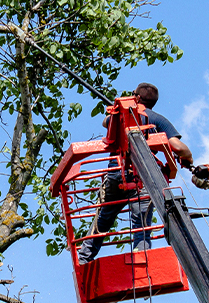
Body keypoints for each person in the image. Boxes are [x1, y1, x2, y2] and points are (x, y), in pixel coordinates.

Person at [78, 83, 193, 264]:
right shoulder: (159, 120)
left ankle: (84, 258)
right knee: (141, 220)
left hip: (116, 174)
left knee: (103, 219)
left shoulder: (120, 116)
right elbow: (178, 147)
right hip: (143, 177)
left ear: (136, 97)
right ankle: (142, 256)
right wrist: (189, 158)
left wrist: (121, 111)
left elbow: (105, 121)